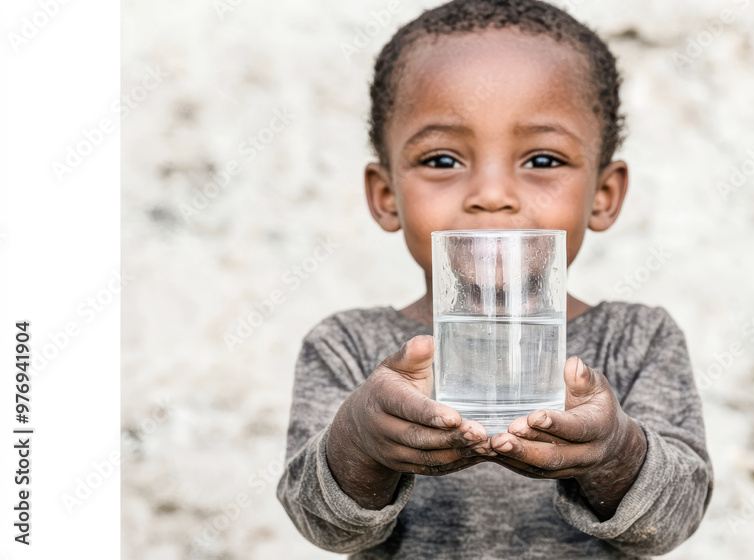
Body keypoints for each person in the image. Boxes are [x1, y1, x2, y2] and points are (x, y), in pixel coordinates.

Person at [276, 1, 713, 557]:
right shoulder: (347, 346)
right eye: (441, 160)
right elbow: (325, 526)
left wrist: (615, 451)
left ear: (603, 195)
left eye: (542, 160)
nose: (492, 195)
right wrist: (361, 440)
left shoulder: (637, 340)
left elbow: (675, 520)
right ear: (386, 197)